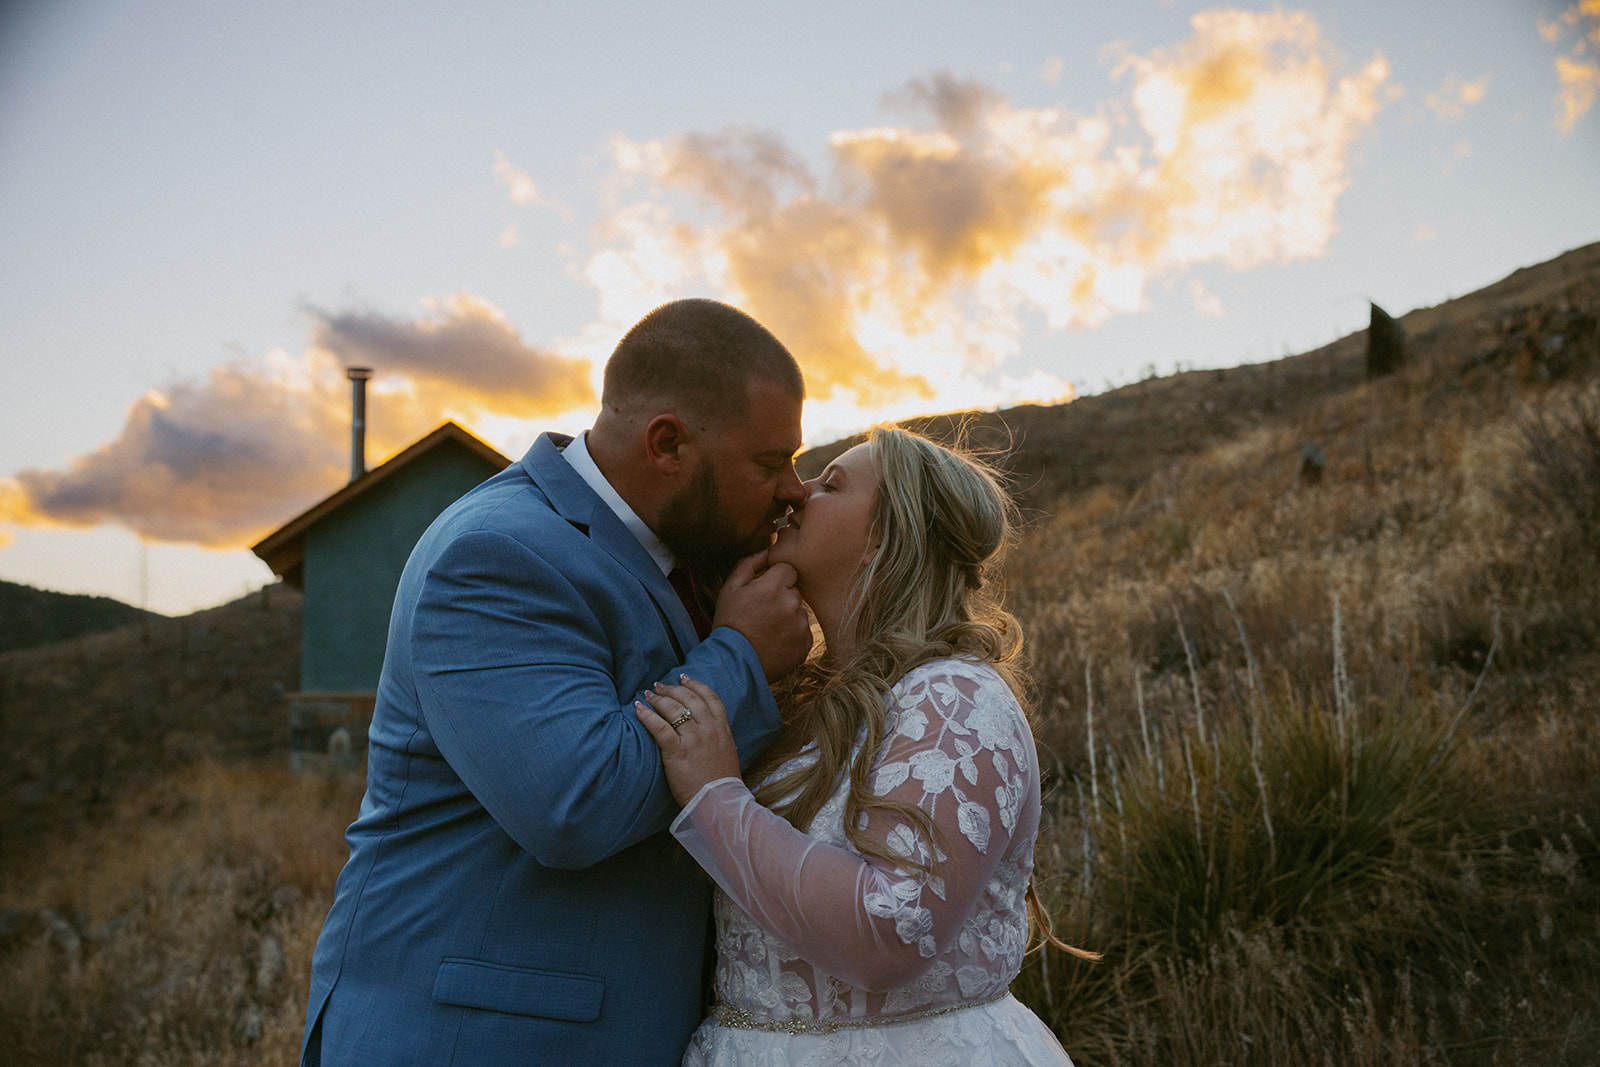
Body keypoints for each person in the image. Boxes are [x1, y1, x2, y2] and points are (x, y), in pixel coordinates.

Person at [300, 299, 815, 1066]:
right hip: (474, 1040)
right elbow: (574, 802)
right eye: (770, 464)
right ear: (667, 442)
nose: (794, 490)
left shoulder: (677, 555)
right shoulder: (499, 553)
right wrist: (742, 652)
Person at [636, 426, 1097, 1065]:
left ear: (888, 533)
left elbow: (894, 928)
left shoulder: (953, 698)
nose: (798, 493)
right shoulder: (806, 700)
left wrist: (716, 797)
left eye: (832, 485)